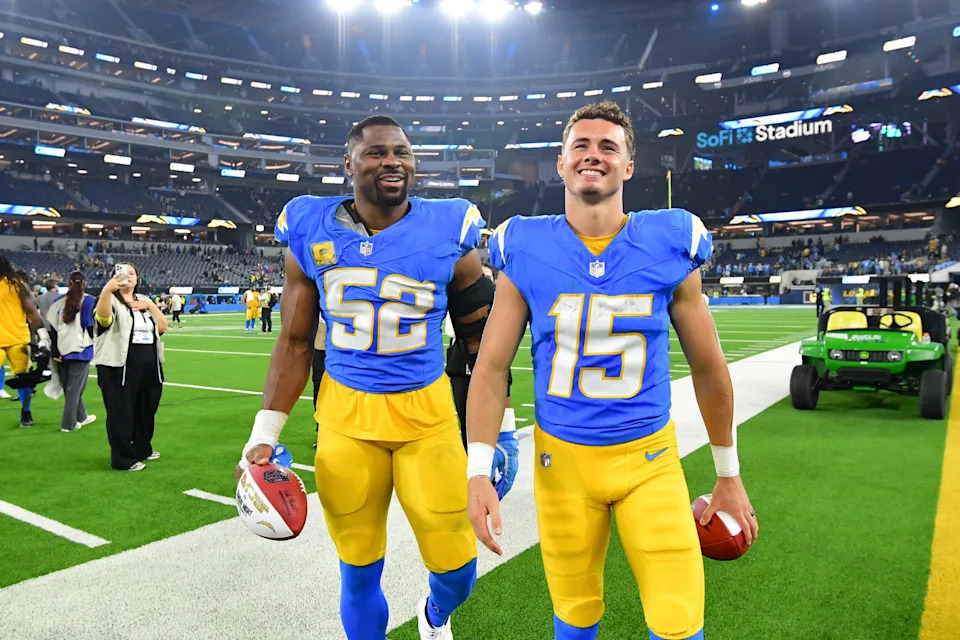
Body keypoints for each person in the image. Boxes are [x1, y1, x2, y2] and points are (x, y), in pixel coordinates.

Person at [465, 102, 758, 640]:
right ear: (560, 163)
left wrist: (728, 473)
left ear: (628, 167)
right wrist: (477, 470)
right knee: (574, 618)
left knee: (678, 620)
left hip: (649, 460)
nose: (592, 155)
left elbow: (710, 368)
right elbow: (490, 368)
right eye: (580, 145)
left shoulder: (670, 240)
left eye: (608, 147)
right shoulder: (524, 245)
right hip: (563, 466)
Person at [235, 115, 509, 640]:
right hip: (344, 418)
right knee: (358, 570)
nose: (393, 162)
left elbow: (482, 345)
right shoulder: (309, 228)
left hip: (427, 418)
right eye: (378, 153)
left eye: (402, 153)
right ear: (349, 164)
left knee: (457, 569)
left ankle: (434, 615)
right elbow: (293, 341)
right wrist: (264, 433)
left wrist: (497, 433)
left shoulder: (450, 228)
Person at [93, 263, 168, 471]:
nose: (128, 277)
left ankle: (142, 448)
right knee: (121, 412)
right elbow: (104, 320)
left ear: (137, 278)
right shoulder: (110, 299)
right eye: (122, 273)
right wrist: (107, 290)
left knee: (147, 408)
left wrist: (151, 307)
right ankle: (123, 458)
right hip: (119, 366)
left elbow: (162, 327)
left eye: (132, 273)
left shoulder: (144, 300)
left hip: (149, 364)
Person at [0, 255, 50, 427]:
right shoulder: (16, 285)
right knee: (23, 378)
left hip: (17, 339)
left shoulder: (16, 285)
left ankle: (26, 412)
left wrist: (43, 337)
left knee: (24, 379)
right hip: (15, 337)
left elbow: (32, 312)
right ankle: (26, 413)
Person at [46, 271, 97, 433]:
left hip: (62, 347)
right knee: (75, 388)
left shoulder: (58, 301)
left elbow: (52, 329)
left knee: (71, 386)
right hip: (81, 348)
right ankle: (68, 424)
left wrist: (55, 350)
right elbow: (90, 326)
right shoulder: (89, 300)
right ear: (84, 283)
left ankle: (81, 416)